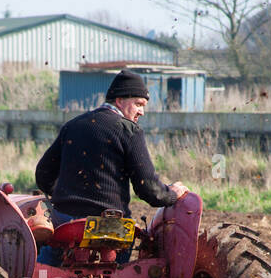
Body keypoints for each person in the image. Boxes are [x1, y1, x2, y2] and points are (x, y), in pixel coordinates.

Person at [34, 69, 189, 265]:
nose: (142, 111)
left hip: (66, 222)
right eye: (138, 104)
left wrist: (66, 197)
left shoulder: (72, 126)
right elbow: (148, 188)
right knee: (119, 266)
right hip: (108, 224)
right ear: (119, 101)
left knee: (44, 267)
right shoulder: (128, 130)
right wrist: (172, 194)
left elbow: (43, 174)